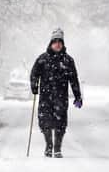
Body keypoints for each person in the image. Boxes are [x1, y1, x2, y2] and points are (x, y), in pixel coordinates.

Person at [30, 28, 82, 158]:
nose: (58, 44)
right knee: (45, 121)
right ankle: (49, 146)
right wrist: (34, 85)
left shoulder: (68, 61)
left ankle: (57, 148)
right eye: (55, 41)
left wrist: (78, 96)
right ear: (51, 43)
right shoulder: (42, 59)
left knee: (60, 122)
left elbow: (74, 79)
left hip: (61, 97)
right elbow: (34, 74)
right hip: (45, 96)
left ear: (63, 44)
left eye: (60, 41)